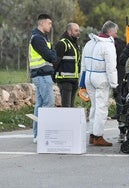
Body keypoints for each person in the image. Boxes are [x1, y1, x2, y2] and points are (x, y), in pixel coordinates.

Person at [80, 20, 118, 146]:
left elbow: (83, 64)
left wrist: (82, 82)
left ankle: (92, 134)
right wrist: (114, 84)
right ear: (110, 31)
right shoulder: (108, 46)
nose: (116, 34)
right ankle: (98, 136)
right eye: (115, 32)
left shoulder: (90, 43)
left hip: (88, 78)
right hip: (101, 79)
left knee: (94, 107)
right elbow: (111, 67)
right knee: (102, 108)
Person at [28, 14, 57, 143]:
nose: (50, 26)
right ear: (42, 24)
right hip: (42, 75)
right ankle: (42, 134)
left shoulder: (41, 38)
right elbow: (50, 56)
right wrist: (53, 54)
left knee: (40, 105)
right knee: (48, 104)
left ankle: (37, 135)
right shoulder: (38, 39)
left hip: (41, 75)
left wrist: (52, 53)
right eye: (49, 23)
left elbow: (52, 54)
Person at [54, 23, 81, 107]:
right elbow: (55, 61)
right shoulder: (62, 44)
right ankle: (65, 120)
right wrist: (53, 76)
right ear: (69, 31)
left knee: (71, 107)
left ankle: (70, 120)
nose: (78, 32)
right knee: (66, 106)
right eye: (76, 30)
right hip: (64, 81)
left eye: (78, 30)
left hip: (74, 80)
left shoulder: (75, 44)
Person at [113, 37, 127, 143]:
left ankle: (122, 131)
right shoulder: (125, 45)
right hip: (121, 77)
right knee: (122, 103)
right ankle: (123, 131)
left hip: (117, 77)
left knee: (120, 103)